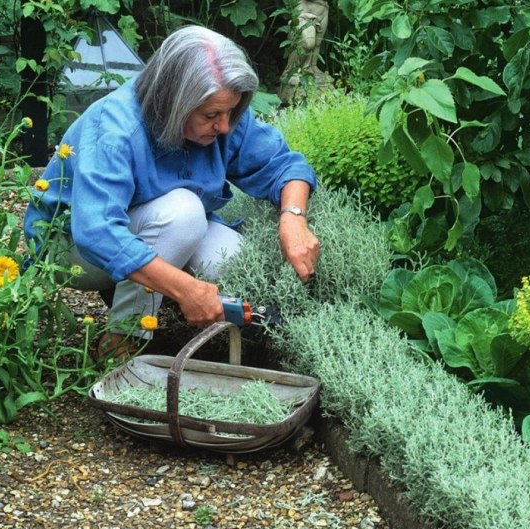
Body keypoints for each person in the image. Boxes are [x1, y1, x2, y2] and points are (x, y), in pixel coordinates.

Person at [24, 25, 320, 359]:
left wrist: (293, 218)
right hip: (69, 248)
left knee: (230, 260)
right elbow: (97, 232)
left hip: (161, 225)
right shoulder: (115, 128)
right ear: (175, 101)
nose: (225, 126)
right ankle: (121, 339)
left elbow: (284, 165)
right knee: (184, 213)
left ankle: (154, 301)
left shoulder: (224, 109)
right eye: (211, 115)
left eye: (230, 112)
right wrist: (187, 289)